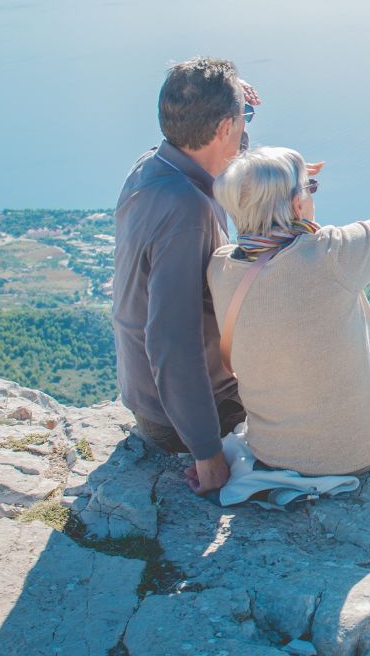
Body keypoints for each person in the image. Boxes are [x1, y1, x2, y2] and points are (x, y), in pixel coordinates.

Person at [208, 146, 370, 476]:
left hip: (273, 452)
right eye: (310, 188)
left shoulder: (220, 268)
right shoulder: (330, 254)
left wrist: (274, 177)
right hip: (358, 453)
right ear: (295, 204)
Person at [110, 57, 253, 495]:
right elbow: (172, 340)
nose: (246, 131)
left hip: (151, 397)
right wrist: (207, 453)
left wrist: (239, 110)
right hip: (185, 418)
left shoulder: (152, 167)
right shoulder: (187, 213)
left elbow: (226, 146)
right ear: (224, 128)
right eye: (241, 121)